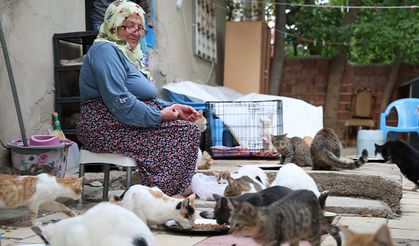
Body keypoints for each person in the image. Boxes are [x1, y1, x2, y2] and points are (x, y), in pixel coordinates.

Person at [77, 0, 201, 196]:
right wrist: (159, 116)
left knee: (187, 131)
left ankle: (167, 193)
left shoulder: (128, 55)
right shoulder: (105, 51)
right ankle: (155, 196)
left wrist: (174, 107)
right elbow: (120, 101)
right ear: (113, 25)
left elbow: (143, 97)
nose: (136, 31)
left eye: (140, 27)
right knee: (181, 133)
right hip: (103, 125)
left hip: (122, 121)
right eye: (129, 26)